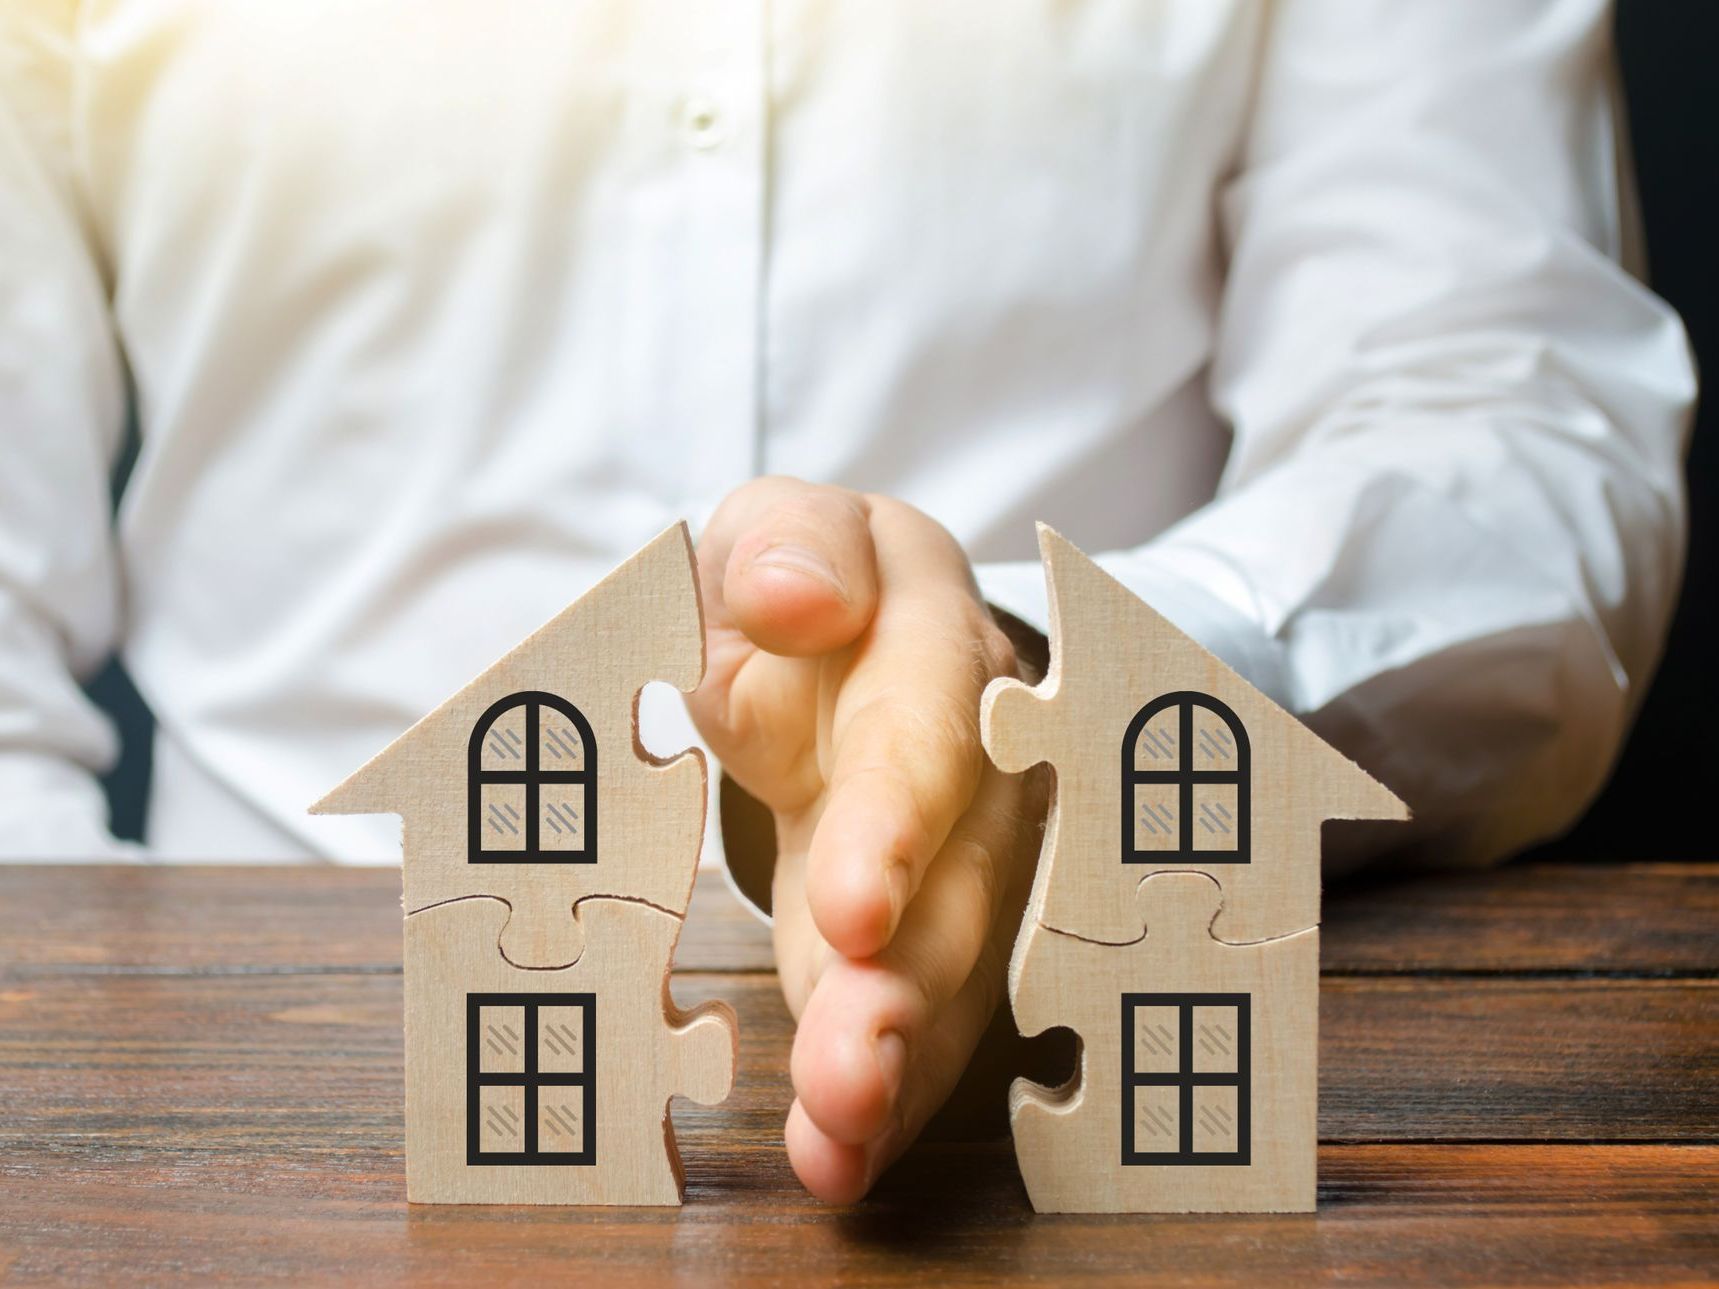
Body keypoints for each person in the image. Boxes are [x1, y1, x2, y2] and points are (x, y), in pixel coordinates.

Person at [0, 1, 1694, 1203]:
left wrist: (1055, 698)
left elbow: (1505, 409)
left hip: (1098, 1094)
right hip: (270, 1105)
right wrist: (93, 1158)